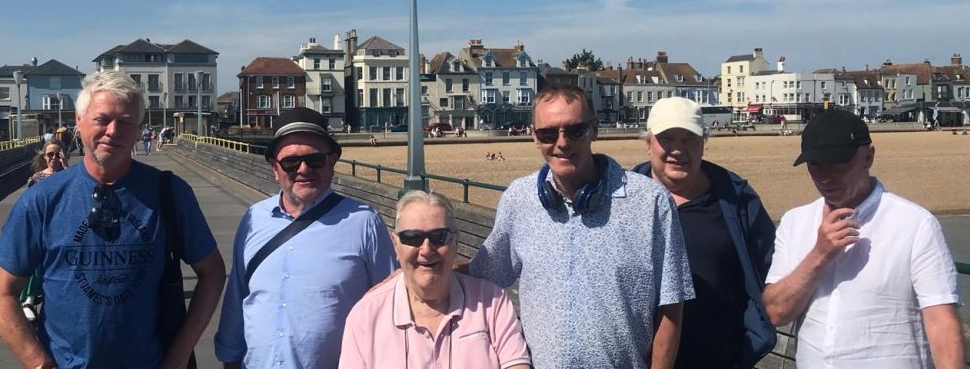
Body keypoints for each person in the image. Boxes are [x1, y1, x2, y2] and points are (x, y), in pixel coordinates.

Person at [0, 71, 227, 369]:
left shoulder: (170, 193)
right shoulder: (44, 199)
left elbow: (212, 271)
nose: (113, 131)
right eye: (102, 119)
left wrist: (177, 357)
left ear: (139, 128)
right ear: (79, 120)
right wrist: (40, 364)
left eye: (125, 122)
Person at [469, 85, 693, 368]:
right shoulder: (519, 198)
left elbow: (672, 304)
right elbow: (483, 275)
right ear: (533, 136)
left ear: (594, 130)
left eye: (574, 130)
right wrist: (412, 276)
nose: (562, 143)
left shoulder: (651, 201)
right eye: (548, 133)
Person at [763, 109, 964, 368]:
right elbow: (775, 312)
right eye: (815, 164)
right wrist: (819, 255)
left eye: (838, 162)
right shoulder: (795, 222)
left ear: (868, 156)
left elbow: (941, 320)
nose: (825, 176)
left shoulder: (915, 224)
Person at [214, 107, 398, 368]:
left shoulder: (364, 222)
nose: (303, 169)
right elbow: (238, 294)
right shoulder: (254, 218)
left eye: (315, 160)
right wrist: (229, 356)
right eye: (290, 162)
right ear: (274, 169)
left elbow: (390, 306)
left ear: (332, 162)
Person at [630, 97, 777, 369]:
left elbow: (772, 265)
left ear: (703, 143)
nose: (678, 149)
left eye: (689, 139)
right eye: (667, 138)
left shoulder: (734, 197)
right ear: (648, 143)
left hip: (720, 358)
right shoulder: (624, 200)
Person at [339, 191, 531, 369]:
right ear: (396, 245)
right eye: (412, 237)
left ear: (455, 242)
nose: (426, 250)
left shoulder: (491, 302)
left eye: (440, 237)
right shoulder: (366, 316)